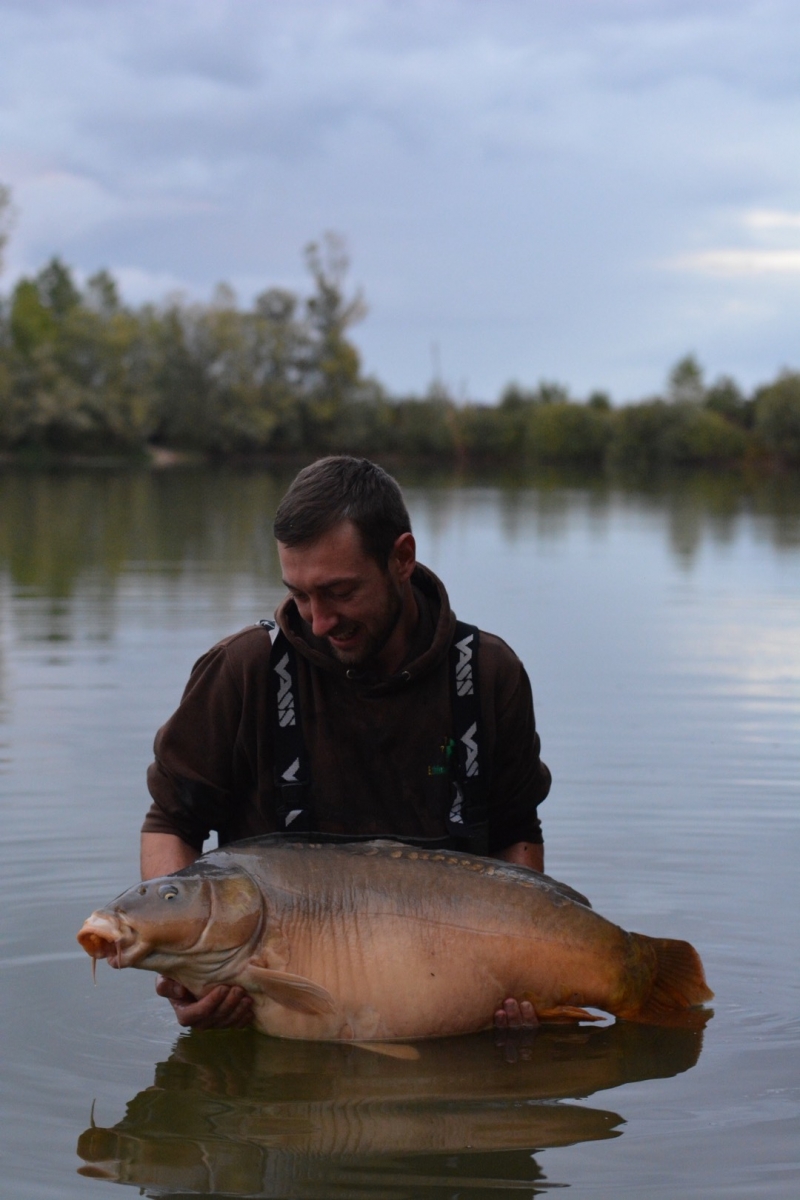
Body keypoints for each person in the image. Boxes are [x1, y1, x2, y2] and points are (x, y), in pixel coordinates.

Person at [141, 456, 551, 1032]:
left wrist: (530, 983)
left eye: (339, 592)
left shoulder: (486, 673)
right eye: (300, 595)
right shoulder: (243, 671)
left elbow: (516, 834)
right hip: (280, 1008)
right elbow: (171, 822)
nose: (318, 621)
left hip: (445, 1006)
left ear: (402, 558)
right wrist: (187, 967)